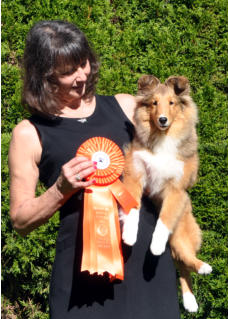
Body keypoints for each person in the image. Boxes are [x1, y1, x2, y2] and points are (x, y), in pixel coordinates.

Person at [9, 20, 181, 319]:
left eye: (83, 63)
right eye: (67, 72)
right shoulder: (28, 134)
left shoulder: (127, 107)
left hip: (147, 269)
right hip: (82, 280)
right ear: (43, 75)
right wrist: (60, 189)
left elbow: (175, 171)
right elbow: (21, 221)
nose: (81, 76)